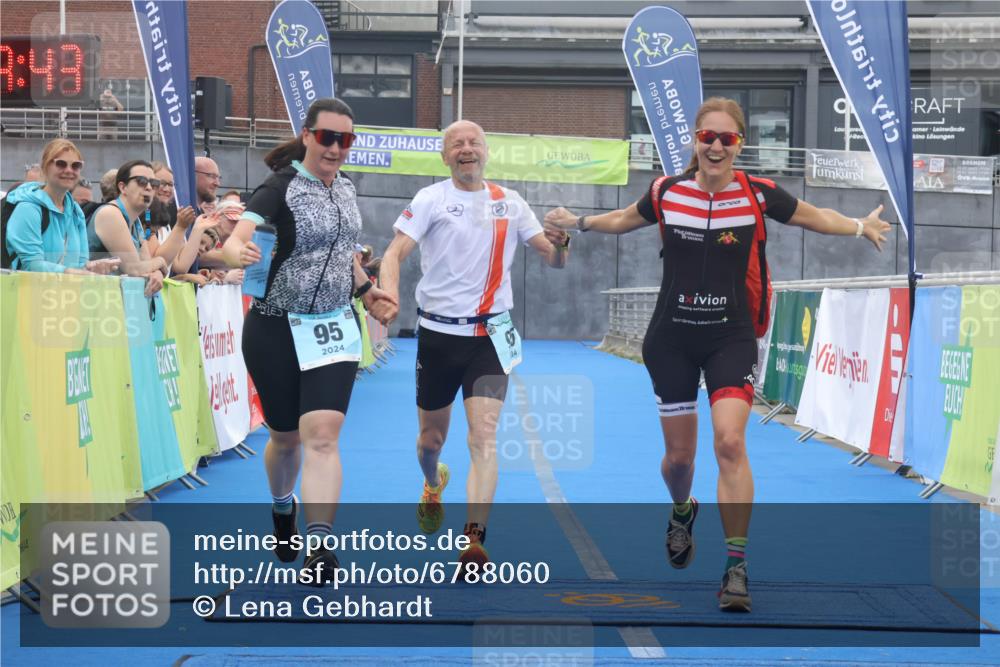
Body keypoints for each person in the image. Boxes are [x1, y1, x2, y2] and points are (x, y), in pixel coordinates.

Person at [543, 97, 891, 612]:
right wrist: (579, 221)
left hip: (729, 337)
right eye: (708, 136)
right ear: (695, 141)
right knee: (679, 461)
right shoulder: (666, 191)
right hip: (672, 340)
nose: (716, 146)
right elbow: (622, 218)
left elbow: (815, 217)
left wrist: (861, 227)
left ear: (740, 145)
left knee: (730, 442)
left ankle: (735, 567)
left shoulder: (758, 193)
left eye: (727, 139)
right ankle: (683, 509)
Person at [379, 119, 571, 573]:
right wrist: (388, 294)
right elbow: (393, 254)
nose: (466, 150)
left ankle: (474, 541)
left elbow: (553, 258)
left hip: (490, 336)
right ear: (445, 157)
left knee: (484, 437)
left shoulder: (510, 202)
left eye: (474, 143)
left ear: (486, 151)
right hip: (439, 336)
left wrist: (563, 245)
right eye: (456, 145)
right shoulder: (431, 200)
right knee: (432, 441)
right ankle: (432, 483)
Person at [223, 98, 396, 582]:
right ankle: (283, 507)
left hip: (332, 326)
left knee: (322, 435)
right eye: (328, 138)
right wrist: (237, 249)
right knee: (285, 438)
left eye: (346, 140)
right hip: (275, 327)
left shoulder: (345, 189)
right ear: (307, 135)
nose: (337, 148)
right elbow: (241, 235)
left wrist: (366, 289)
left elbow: (343, 253)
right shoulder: (279, 187)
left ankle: (320, 548)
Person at [5, 139, 118, 275]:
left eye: (76, 165)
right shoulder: (28, 209)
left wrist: (92, 268)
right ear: (45, 167)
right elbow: (31, 265)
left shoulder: (76, 212)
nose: (69, 170)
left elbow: (81, 264)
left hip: (64, 294)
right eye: (61, 164)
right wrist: (68, 272)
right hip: (26, 293)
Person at [88, 160, 170, 296]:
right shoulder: (110, 213)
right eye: (141, 181)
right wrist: (160, 262)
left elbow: (145, 264)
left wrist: (157, 272)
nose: (149, 187)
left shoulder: (136, 220)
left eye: (154, 183)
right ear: (122, 187)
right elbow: (133, 268)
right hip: (93, 301)